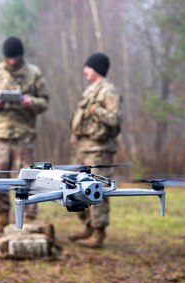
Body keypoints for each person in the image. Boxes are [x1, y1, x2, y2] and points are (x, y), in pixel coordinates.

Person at [0, 36, 49, 235]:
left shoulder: (34, 74)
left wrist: (31, 102)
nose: (12, 61)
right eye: (9, 58)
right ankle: (1, 219)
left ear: (21, 55)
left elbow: (45, 101)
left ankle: (28, 219)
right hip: (0, 135)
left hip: (24, 136)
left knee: (28, 178)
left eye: (15, 57)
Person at [69, 52, 122, 248]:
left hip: (99, 149)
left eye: (88, 67)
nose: (85, 71)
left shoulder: (108, 91)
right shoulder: (91, 90)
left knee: (96, 189)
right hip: (83, 148)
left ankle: (98, 233)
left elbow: (115, 120)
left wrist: (96, 111)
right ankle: (88, 226)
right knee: (74, 187)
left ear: (96, 69)